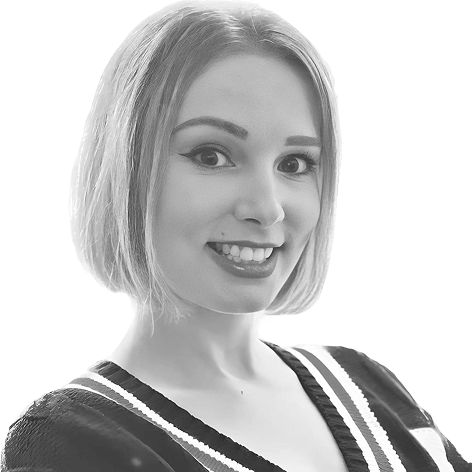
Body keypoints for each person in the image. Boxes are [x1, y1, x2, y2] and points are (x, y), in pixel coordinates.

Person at [2, 1, 468, 471]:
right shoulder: (72, 440)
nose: (267, 209)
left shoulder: (364, 384)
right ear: (125, 169)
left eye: (295, 164)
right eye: (211, 156)